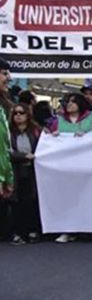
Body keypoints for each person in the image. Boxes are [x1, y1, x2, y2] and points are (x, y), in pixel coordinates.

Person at [8, 103, 41, 245]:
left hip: (33, 171)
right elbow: (6, 152)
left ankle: (33, 230)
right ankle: (18, 232)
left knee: (32, 201)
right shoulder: (9, 133)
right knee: (16, 202)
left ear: (28, 115)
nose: (18, 116)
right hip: (15, 171)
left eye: (21, 113)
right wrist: (23, 156)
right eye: (15, 113)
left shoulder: (36, 131)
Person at [0, 60, 14, 244]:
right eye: (4, 73)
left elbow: (3, 147)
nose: (8, 78)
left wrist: (6, 177)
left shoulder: (3, 108)